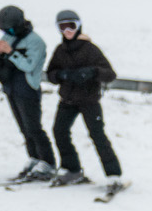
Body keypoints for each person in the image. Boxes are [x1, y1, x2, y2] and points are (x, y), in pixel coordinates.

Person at [43, 9, 121, 186]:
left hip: (89, 101)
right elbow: (51, 74)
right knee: (59, 132)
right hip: (67, 101)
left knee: (97, 135)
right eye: (62, 27)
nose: (67, 31)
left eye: (71, 26)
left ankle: (113, 175)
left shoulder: (91, 50)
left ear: (78, 26)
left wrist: (93, 72)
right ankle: (72, 169)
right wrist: (61, 75)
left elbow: (110, 74)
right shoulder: (60, 50)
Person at [0, 5, 54, 182]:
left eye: (10, 29)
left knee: (34, 127)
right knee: (24, 128)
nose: (8, 32)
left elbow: (29, 66)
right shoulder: (8, 37)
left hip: (27, 88)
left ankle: (48, 162)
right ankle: (34, 158)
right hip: (11, 87)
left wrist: (10, 53)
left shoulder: (36, 42)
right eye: (5, 30)